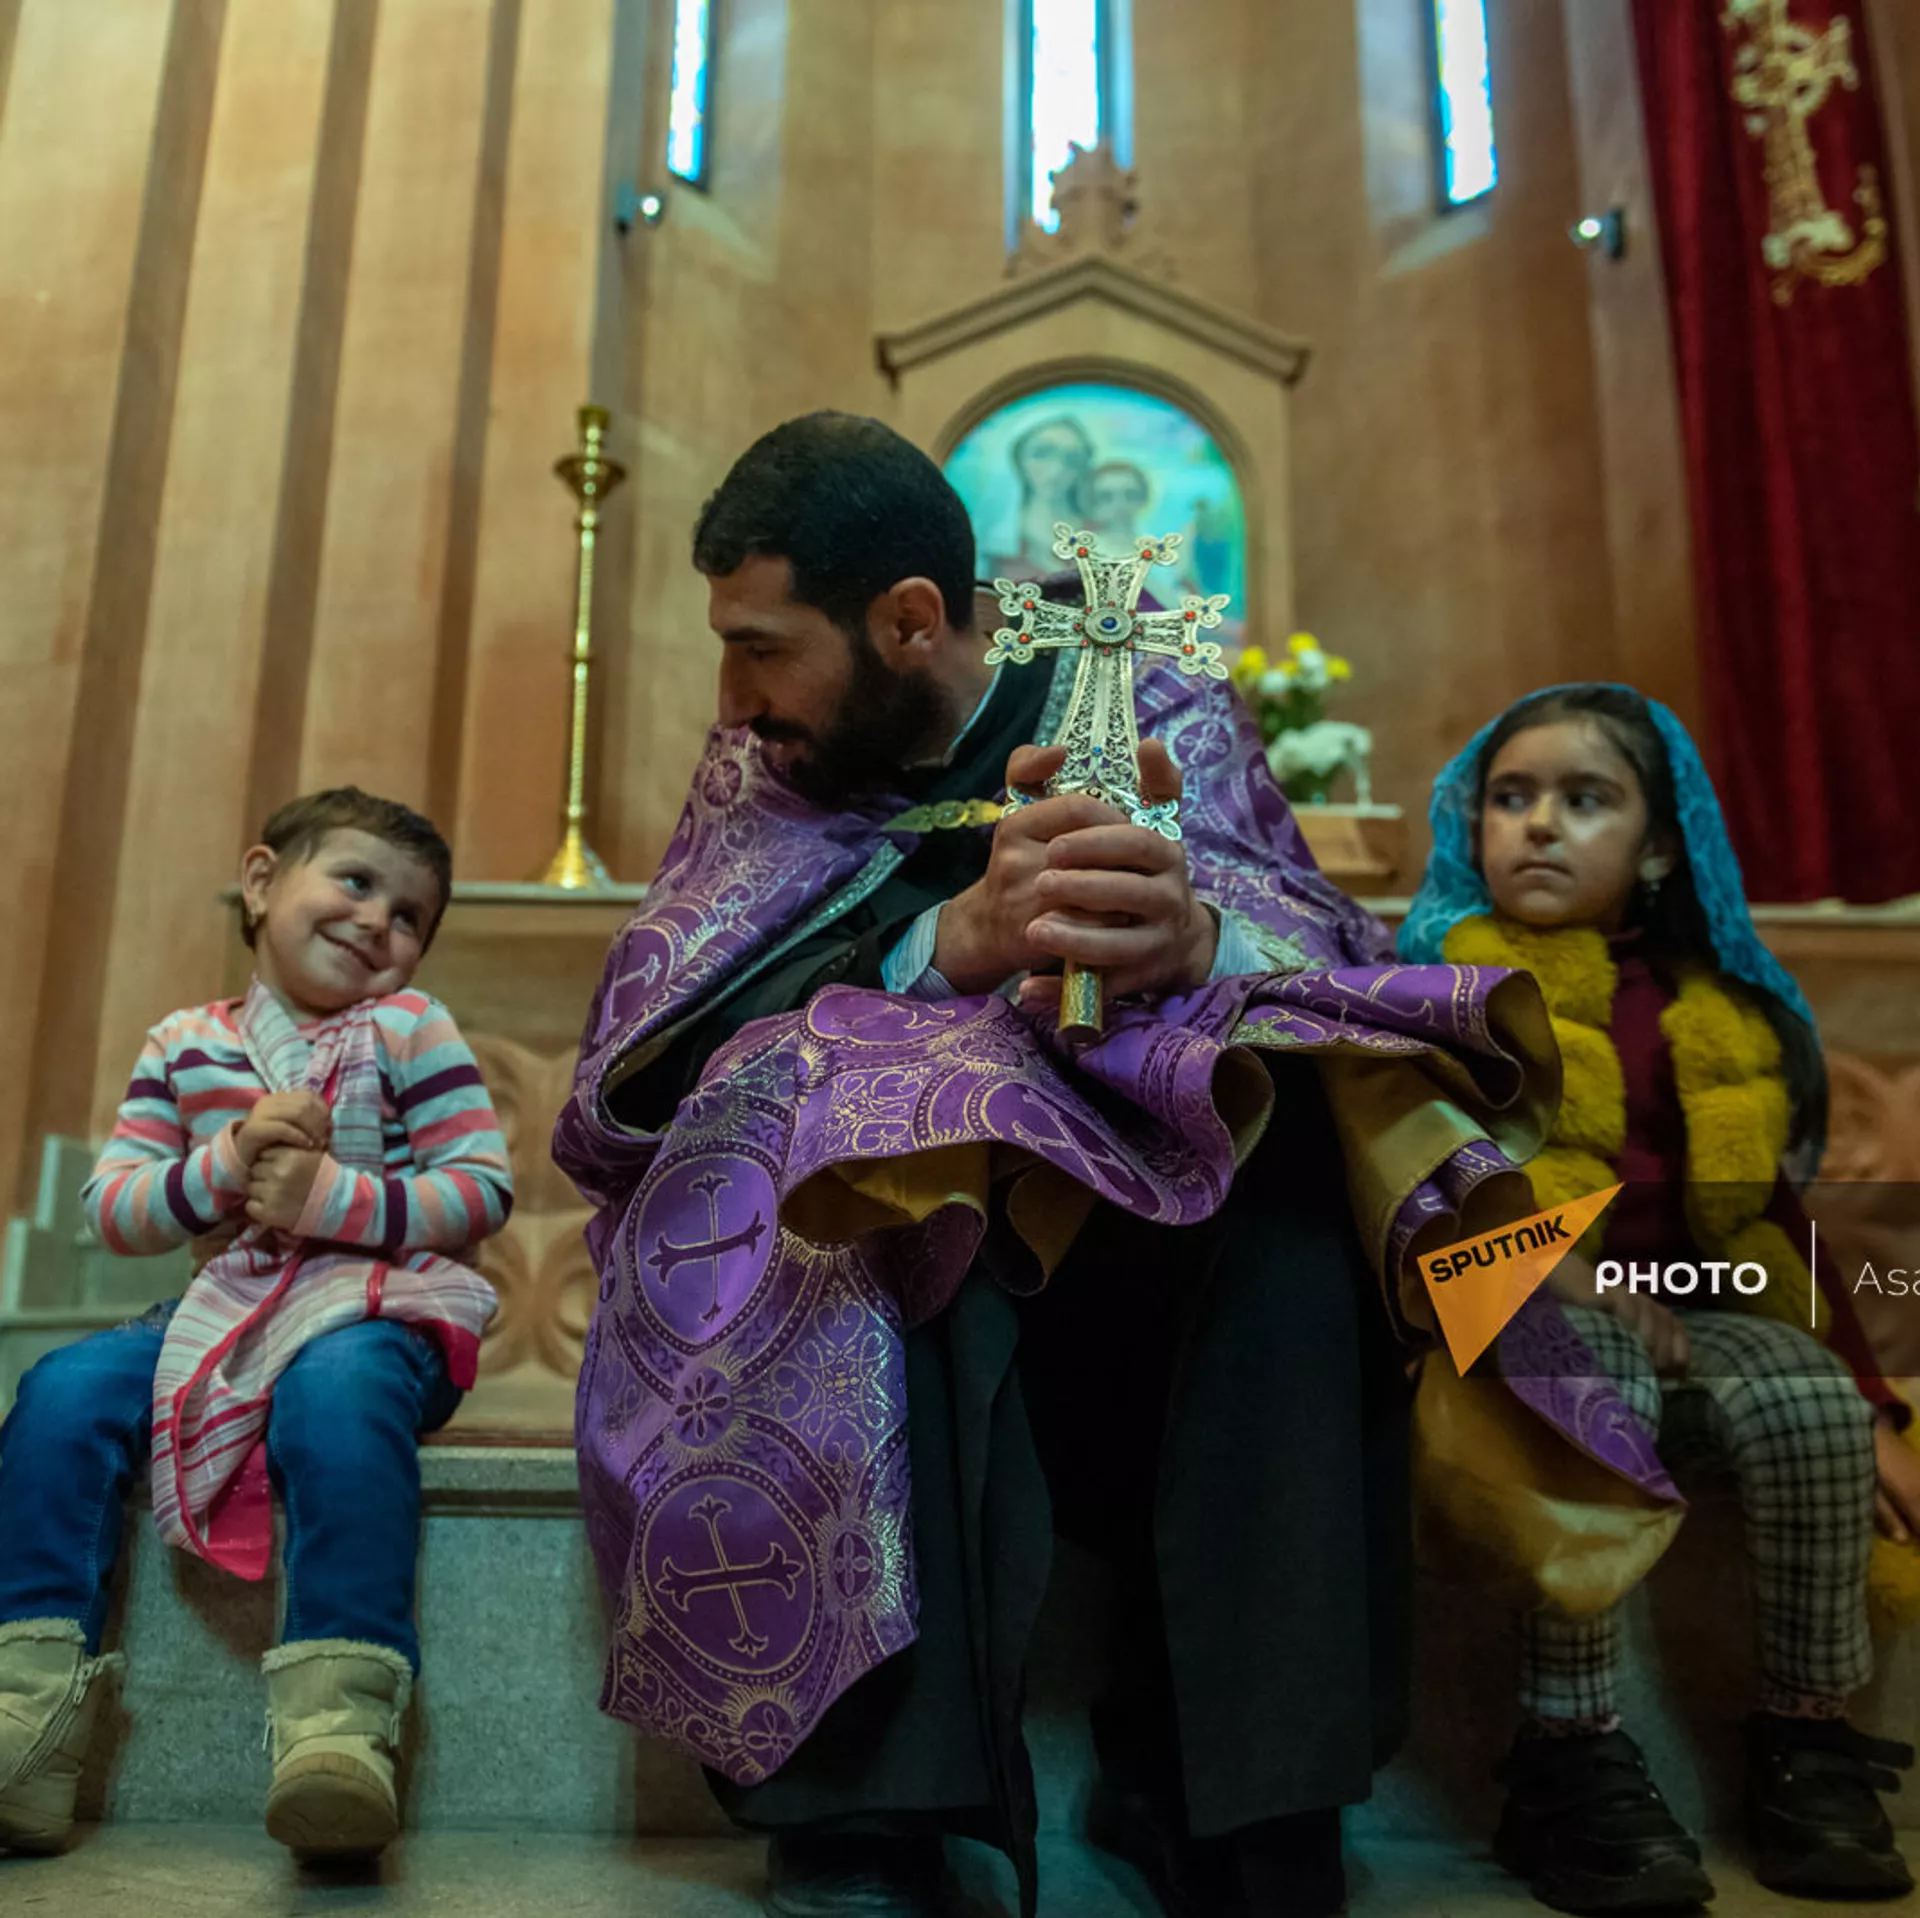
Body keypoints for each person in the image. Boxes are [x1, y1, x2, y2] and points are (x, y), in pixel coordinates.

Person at [555, 413, 1559, 1918]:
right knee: (835, 1127)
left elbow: (1334, 949)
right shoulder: (768, 773)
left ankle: (1237, 1804)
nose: (736, 699)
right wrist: (937, 944)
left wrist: (1204, 937)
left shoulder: (1158, 705)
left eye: (761, 649)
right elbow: (655, 1057)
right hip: (919, 1303)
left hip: (1164, 1293)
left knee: (1293, 1132)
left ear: (907, 619)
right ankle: (869, 1809)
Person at [1399, 684, 1920, 1910]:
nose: (1538, 824)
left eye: (1584, 799)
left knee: (1808, 1400)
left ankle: (1806, 1737)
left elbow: (1772, 1224)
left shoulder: (1714, 1007)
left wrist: (1874, 1403)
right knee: (1591, 1379)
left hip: (1690, 1298)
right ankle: (1568, 1751)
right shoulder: (1443, 987)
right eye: (1511, 798)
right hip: (1508, 1299)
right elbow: (1410, 1172)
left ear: (1660, 848)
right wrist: (1550, 1265)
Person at [0, 789, 509, 1860]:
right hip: (224, 1311)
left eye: (410, 916)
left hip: (379, 1309)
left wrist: (334, 1201)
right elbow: (114, 1210)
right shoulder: (184, 1042)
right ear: (264, 880)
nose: (378, 921)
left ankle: (339, 1727)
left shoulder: (412, 1028)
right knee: (63, 1389)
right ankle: (27, 1714)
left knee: (336, 1390)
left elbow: (480, 1189)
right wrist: (225, 1161)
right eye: (355, 882)